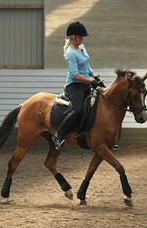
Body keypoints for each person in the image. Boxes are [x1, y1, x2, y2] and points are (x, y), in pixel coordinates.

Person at [52, 21, 103, 150]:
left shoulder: (82, 48)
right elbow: (75, 75)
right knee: (79, 110)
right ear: (73, 37)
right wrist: (90, 81)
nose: (82, 38)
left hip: (85, 83)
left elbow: (87, 65)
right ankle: (58, 135)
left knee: (101, 103)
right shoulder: (70, 53)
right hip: (74, 86)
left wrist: (95, 76)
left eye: (82, 37)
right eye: (80, 36)